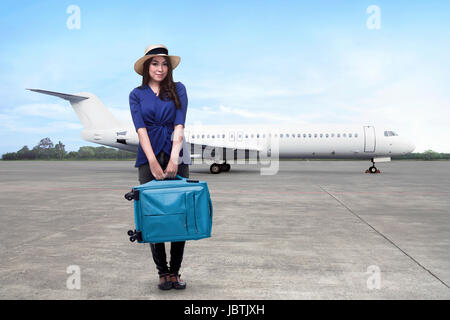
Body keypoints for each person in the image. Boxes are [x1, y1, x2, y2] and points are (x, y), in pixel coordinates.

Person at [129, 44, 190, 290]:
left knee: (178, 214)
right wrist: (152, 160)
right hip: (147, 157)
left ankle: (175, 271)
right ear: (146, 66)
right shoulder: (136, 94)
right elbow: (140, 130)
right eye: (155, 63)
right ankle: (162, 272)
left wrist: (174, 157)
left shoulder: (179, 89)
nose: (160, 68)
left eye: (164, 64)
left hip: (178, 154)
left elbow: (179, 126)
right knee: (153, 215)